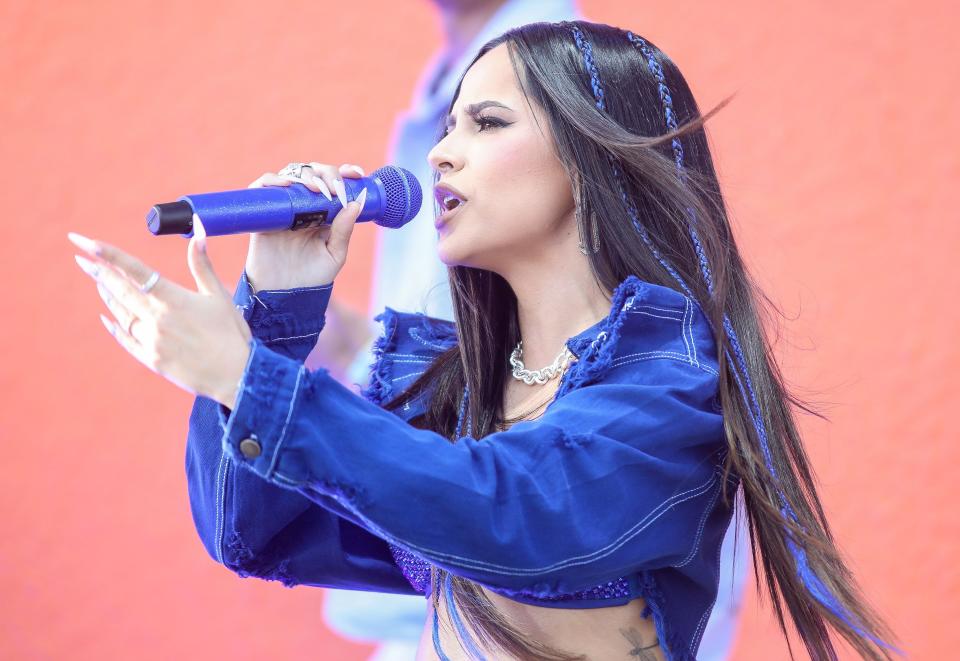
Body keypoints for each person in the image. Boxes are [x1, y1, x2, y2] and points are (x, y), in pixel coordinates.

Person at [70, 19, 901, 661]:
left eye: (486, 123)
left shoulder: (667, 387)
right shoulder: (457, 389)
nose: (440, 155)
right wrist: (280, 311)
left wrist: (246, 375)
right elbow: (257, 531)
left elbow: (504, 506)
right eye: (445, 127)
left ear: (590, 159)